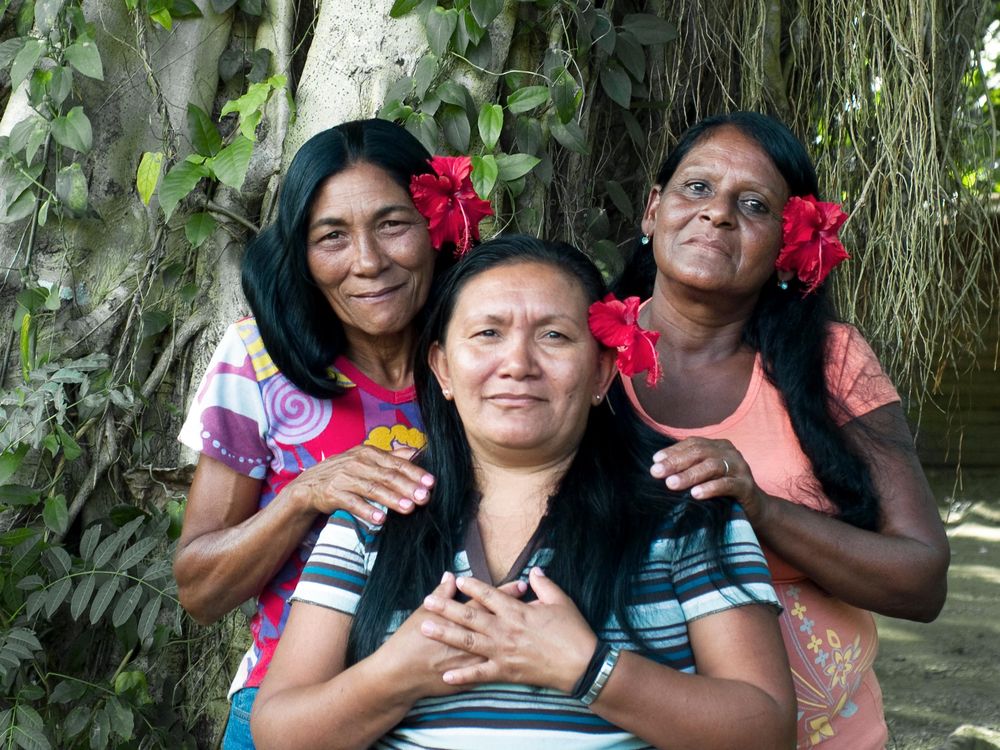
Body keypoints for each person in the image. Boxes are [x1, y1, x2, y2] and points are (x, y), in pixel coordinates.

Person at [250, 236, 797, 749]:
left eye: (553, 336)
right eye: (488, 333)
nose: (517, 364)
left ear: (603, 371)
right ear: (441, 367)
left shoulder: (686, 506)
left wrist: (591, 669)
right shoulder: (376, 508)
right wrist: (396, 674)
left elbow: (767, 729)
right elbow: (279, 732)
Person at [615, 111, 950, 748]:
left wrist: (761, 510)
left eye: (754, 204)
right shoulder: (576, 349)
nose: (717, 214)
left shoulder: (832, 361)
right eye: (696, 188)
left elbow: (921, 579)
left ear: (788, 245)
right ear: (652, 210)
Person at [173, 119, 490, 748]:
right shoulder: (258, 360)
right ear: (303, 256)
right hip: (290, 714)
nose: (368, 262)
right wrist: (304, 493)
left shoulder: (488, 352)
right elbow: (200, 592)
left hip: (458, 714)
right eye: (332, 237)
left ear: (439, 225)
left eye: (393, 224)